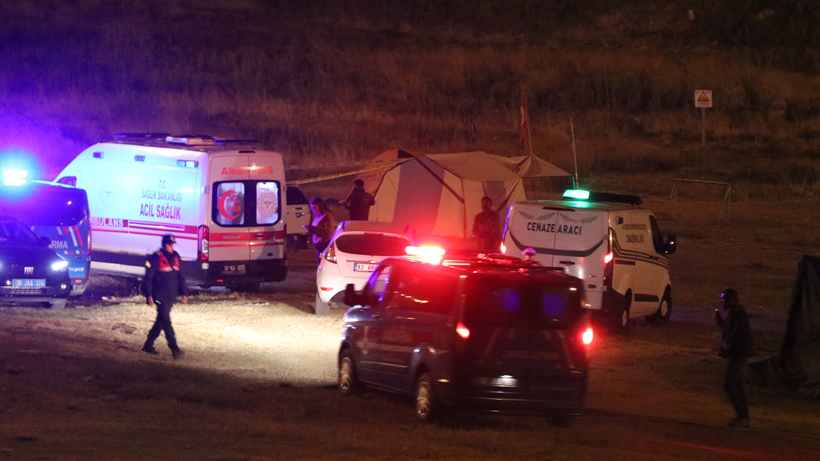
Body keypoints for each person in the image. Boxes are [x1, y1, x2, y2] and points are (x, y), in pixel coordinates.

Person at [142, 234, 188, 360]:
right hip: (159, 294)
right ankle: (175, 350)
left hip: (171, 295)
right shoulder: (155, 257)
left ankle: (148, 345)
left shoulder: (176, 257)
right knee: (166, 321)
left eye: (173, 244)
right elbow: (148, 278)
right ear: (163, 245)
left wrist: (184, 293)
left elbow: (181, 276)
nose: (171, 247)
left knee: (161, 321)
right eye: (169, 244)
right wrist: (149, 295)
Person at [714, 288, 756, 428]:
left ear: (733, 300)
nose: (722, 301)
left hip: (739, 354)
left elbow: (739, 330)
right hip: (739, 353)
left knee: (729, 384)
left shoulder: (738, 313)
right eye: (721, 299)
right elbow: (732, 329)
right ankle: (744, 417)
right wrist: (720, 321)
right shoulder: (735, 313)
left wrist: (728, 342)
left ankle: (742, 416)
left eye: (724, 299)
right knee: (739, 385)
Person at [305, 197, 335, 263]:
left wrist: (315, 229)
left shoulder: (327, 216)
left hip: (324, 245)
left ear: (320, 206)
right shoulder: (317, 216)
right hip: (318, 245)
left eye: (314, 207)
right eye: (312, 208)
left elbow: (329, 231)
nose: (313, 210)